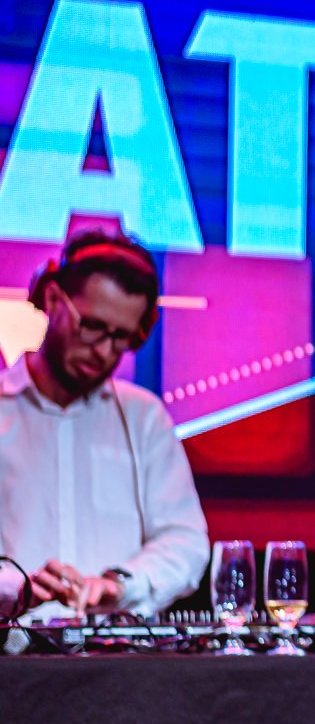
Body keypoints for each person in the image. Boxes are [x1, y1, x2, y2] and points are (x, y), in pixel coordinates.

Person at [0, 228, 208, 623]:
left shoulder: (145, 419)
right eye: (93, 327)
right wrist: (17, 588)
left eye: (122, 337)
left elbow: (186, 541)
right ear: (52, 299)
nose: (105, 351)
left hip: (117, 670)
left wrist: (119, 585)